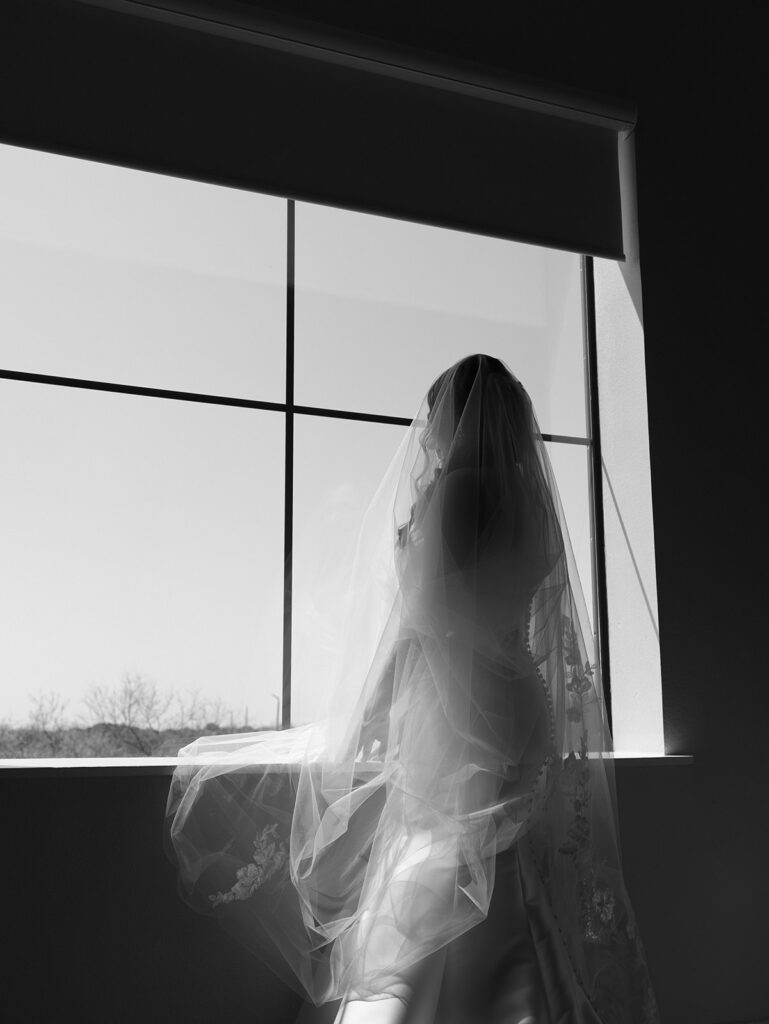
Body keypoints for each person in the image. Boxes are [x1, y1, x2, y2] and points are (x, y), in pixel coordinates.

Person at [165, 354, 662, 1024]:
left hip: (463, 706)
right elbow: (531, 622)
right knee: (500, 872)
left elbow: (419, 624)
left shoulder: (456, 492)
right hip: (523, 699)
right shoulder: (526, 497)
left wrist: (369, 709)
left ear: (452, 418)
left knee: (438, 864)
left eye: (435, 417)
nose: (427, 435)